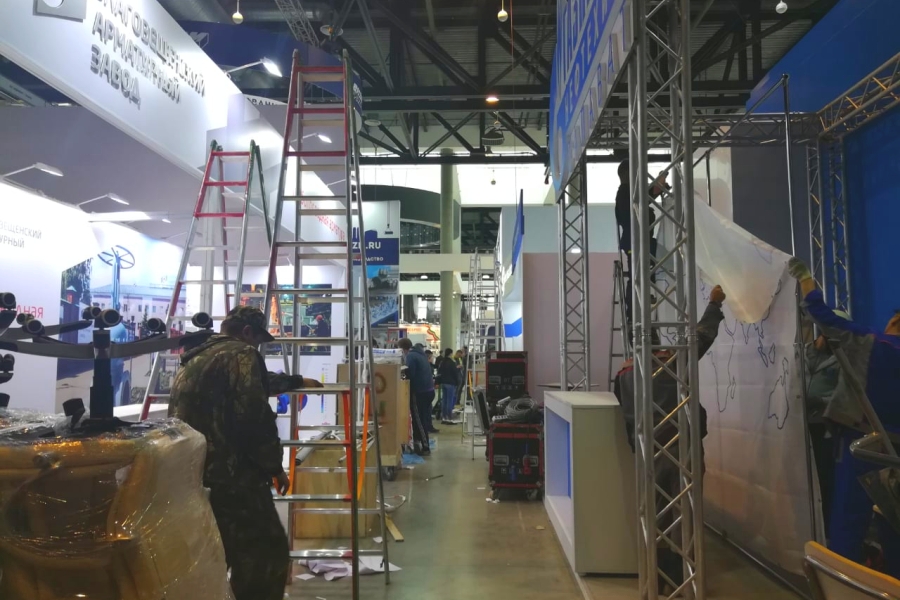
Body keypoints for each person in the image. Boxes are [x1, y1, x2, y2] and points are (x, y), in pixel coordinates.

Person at [168, 306, 323, 600]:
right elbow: (254, 416)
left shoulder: (200, 355)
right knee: (267, 555)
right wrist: (274, 467)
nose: (258, 347)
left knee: (219, 554)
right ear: (248, 332)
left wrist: (295, 381)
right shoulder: (242, 353)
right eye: (258, 340)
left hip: (196, 474)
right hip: (233, 477)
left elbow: (255, 383)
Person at [789, 258, 900, 573]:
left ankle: (842, 580)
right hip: (895, 449)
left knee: (849, 519)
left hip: (862, 443)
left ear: (895, 321)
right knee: (892, 517)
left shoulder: (872, 342)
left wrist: (806, 280)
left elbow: (822, 315)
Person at [614, 284, 726, 592]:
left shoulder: (624, 373)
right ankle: (683, 579)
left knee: (656, 515)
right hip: (681, 450)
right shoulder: (671, 363)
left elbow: (625, 414)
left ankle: (658, 578)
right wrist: (714, 305)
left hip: (647, 452)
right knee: (684, 512)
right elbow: (702, 337)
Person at [805, 309, 850, 536]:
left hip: (826, 428)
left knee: (826, 479)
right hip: (799, 427)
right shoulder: (804, 352)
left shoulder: (844, 358)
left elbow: (846, 394)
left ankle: (828, 532)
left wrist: (819, 401)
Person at [614, 160, 668, 327]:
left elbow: (647, 195)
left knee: (639, 276)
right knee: (638, 277)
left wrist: (658, 186)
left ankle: (638, 307)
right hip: (636, 243)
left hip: (638, 242)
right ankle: (634, 314)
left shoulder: (626, 192)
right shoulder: (626, 192)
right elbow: (646, 196)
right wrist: (658, 185)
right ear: (628, 174)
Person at [399, 338, 435, 455]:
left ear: (402, 349)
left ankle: (425, 447)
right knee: (421, 418)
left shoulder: (411, 356)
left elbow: (411, 374)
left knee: (419, 420)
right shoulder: (420, 354)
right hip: (428, 390)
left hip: (420, 392)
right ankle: (418, 443)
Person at [438, 348, 461, 424]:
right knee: (449, 401)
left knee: (444, 400)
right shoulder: (452, 362)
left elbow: (439, 371)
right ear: (450, 354)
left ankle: (444, 416)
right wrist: (457, 382)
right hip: (451, 383)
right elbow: (455, 373)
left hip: (444, 383)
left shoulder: (442, 362)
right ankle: (449, 417)